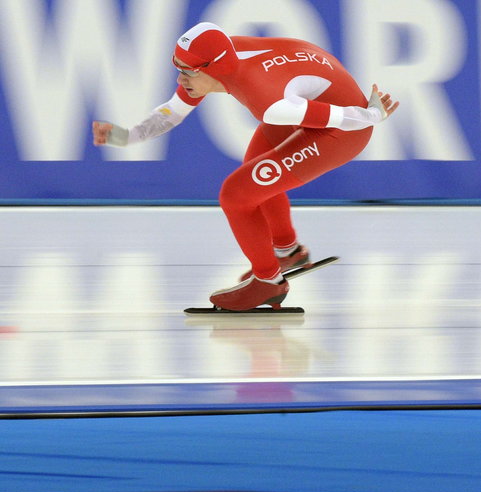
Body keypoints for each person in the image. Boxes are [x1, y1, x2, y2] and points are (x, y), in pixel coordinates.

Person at [93, 22, 397, 311]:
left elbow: (342, 117)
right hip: (308, 90)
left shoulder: (268, 101)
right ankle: (286, 251)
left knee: (236, 195)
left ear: (213, 69)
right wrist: (126, 136)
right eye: (178, 68)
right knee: (255, 171)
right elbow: (173, 112)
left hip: (342, 128)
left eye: (186, 72)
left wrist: (372, 114)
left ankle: (268, 282)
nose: (180, 79)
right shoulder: (216, 60)